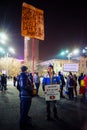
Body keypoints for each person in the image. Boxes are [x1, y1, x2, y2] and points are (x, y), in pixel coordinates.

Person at [17, 66, 33, 130]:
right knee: (24, 112)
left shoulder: (20, 76)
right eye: (27, 70)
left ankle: (25, 123)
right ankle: (22, 126)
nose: (27, 71)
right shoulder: (24, 76)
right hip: (26, 96)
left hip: (23, 95)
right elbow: (24, 86)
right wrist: (31, 89)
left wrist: (21, 92)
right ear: (26, 70)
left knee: (24, 111)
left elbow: (18, 86)